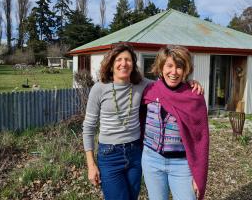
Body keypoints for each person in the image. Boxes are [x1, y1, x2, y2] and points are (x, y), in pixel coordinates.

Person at [82, 43, 203, 200]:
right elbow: (88, 128)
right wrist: (91, 165)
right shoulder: (99, 88)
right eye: (118, 59)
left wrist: (190, 83)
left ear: (133, 64)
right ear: (111, 63)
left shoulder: (143, 85)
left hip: (135, 153)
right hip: (109, 155)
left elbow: (168, 84)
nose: (123, 63)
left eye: (128, 60)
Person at [141, 45, 209, 200]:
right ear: (161, 67)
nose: (174, 72)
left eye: (179, 67)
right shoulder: (150, 90)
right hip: (151, 160)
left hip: (182, 164)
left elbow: (201, 140)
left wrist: (200, 175)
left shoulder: (194, 96)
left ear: (185, 70)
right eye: (169, 66)